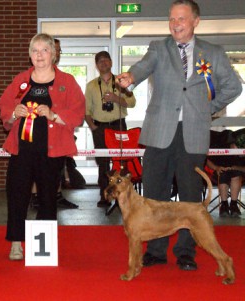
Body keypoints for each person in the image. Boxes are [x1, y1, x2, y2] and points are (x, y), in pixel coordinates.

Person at [117, 0, 242, 271]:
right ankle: (156, 251)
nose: (175, 24)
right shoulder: (159, 48)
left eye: (181, 19)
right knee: (154, 195)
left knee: (189, 197)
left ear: (196, 21)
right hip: (159, 132)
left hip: (193, 133)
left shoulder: (214, 52)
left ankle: (186, 252)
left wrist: (207, 108)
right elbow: (142, 67)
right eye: (172, 19)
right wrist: (130, 77)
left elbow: (233, 86)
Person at [0, 33, 85, 260]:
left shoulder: (67, 82)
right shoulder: (21, 81)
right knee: (17, 196)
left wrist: (54, 115)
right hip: (22, 150)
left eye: (44, 50)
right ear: (29, 55)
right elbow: (5, 108)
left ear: (53, 54)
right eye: (35, 51)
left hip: (52, 152)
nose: (39, 55)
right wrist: (13, 114)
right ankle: (16, 243)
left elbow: (78, 113)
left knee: (48, 198)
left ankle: (42, 245)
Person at [31, 38, 81, 209]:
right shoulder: (30, 79)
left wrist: (58, 116)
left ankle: (56, 195)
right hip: (37, 133)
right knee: (36, 167)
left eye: (58, 50)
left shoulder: (66, 80)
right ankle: (36, 196)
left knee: (57, 170)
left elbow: (76, 110)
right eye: (54, 49)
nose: (56, 53)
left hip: (60, 132)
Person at [85, 51, 136, 207]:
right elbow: (86, 111)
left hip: (118, 126)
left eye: (106, 60)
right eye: (100, 61)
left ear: (111, 62)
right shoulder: (92, 85)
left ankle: (124, 197)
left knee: (122, 162)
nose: (103, 63)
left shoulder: (121, 82)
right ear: (97, 65)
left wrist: (116, 99)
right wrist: (93, 128)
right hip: (100, 127)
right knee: (103, 164)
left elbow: (132, 103)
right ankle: (104, 196)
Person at [206, 144, 244, 217]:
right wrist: (216, 168)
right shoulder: (214, 141)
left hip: (237, 168)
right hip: (219, 168)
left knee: (235, 175)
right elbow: (206, 160)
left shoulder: (239, 140)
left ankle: (233, 204)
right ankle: (224, 205)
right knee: (223, 174)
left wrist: (237, 167)